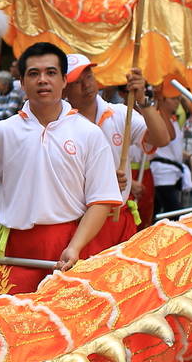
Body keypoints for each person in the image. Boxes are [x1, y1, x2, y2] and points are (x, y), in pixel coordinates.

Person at [0, 42, 120, 297]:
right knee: (5, 328)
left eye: (51, 73)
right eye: (34, 74)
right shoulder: (2, 132)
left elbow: (101, 201)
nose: (43, 80)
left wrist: (75, 247)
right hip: (17, 247)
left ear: (63, 81)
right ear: (22, 83)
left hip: (69, 249)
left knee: (62, 333)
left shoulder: (89, 134)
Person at [61, 53, 171, 253]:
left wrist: (142, 100)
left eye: (88, 76)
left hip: (119, 218)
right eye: (77, 82)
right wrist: (103, 183)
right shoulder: (59, 125)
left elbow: (161, 139)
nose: (86, 85)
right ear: (63, 89)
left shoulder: (120, 113)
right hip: (81, 222)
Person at [148, 92, 192, 218]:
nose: (177, 102)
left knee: (157, 215)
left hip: (172, 173)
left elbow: (174, 149)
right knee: (176, 215)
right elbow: (169, 137)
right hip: (161, 174)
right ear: (162, 99)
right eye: (173, 98)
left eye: (178, 99)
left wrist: (189, 157)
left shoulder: (173, 120)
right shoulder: (157, 119)